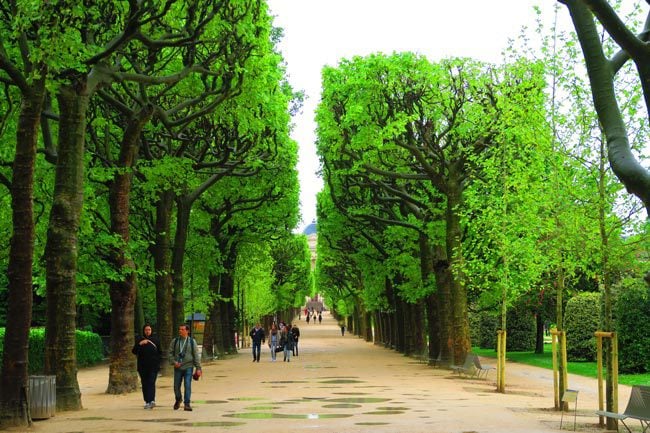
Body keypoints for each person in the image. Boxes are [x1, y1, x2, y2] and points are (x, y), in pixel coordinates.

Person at [168, 324, 201, 411]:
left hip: (188, 367)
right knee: (176, 386)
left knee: (187, 385)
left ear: (187, 331)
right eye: (179, 329)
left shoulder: (191, 342)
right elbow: (170, 354)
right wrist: (174, 362)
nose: (180, 331)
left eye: (182, 329)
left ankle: (187, 404)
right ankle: (178, 399)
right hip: (177, 367)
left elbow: (196, 355)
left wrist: (198, 368)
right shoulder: (175, 341)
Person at [132, 324, 162, 409]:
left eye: (149, 329)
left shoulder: (156, 340)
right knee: (144, 383)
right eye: (146, 330)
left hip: (153, 366)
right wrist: (140, 344)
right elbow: (134, 351)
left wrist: (158, 364)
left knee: (151, 382)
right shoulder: (139, 340)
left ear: (151, 330)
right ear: (143, 330)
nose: (147, 331)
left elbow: (160, 352)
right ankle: (147, 401)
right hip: (142, 366)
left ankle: (152, 400)